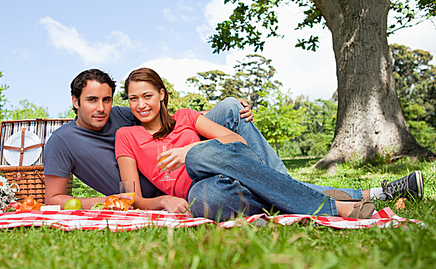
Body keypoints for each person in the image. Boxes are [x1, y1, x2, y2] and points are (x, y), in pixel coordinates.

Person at [115, 67, 424, 221]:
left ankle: (336, 209)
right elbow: (131, 197)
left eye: (147, 96)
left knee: (196, 158)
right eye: (133, 98)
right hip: (209, 189)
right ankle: (377, 193)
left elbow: (234, 142)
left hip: (226, 167)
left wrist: (189, 151)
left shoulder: (186, 116)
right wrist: (162, 201)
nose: (141, 104)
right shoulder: (126, 137)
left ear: (162, 95)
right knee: (206, 199)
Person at [43, 69, 260, 209]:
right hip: (153, 193)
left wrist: (215, 115)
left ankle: (276, 182)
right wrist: (112, 201)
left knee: (232, 107)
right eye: (91, 100)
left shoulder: (122, 114)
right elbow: (53, 199)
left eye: (106, 100)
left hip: (182, 165)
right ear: (75, 101)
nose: (101, 108)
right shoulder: (61, 141)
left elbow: (168, 120)